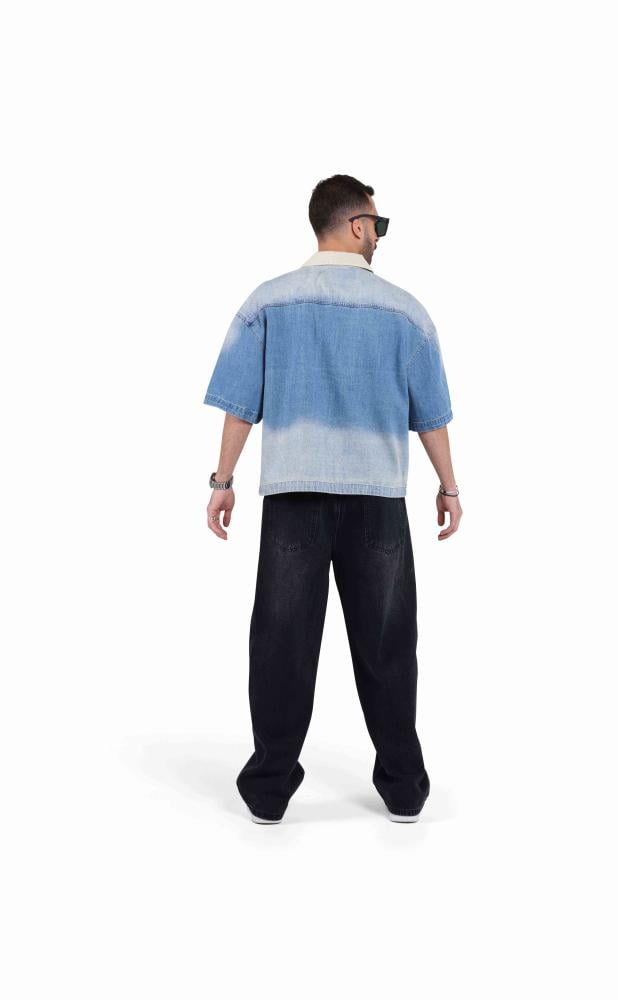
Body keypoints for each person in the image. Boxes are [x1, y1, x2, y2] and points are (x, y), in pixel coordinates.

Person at [203, 174, 462, 825]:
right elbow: (430, 416)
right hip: (378, 499)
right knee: (388, 644)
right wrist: (449, 486)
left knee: (281, 642)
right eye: (378, 224)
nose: (379, 235)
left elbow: (240, 405)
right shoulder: (405, 312)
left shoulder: (269, 302)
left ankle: (268, 790)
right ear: (355, 224)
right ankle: (404, 787)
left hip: (294, 494)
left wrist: (222, 481)